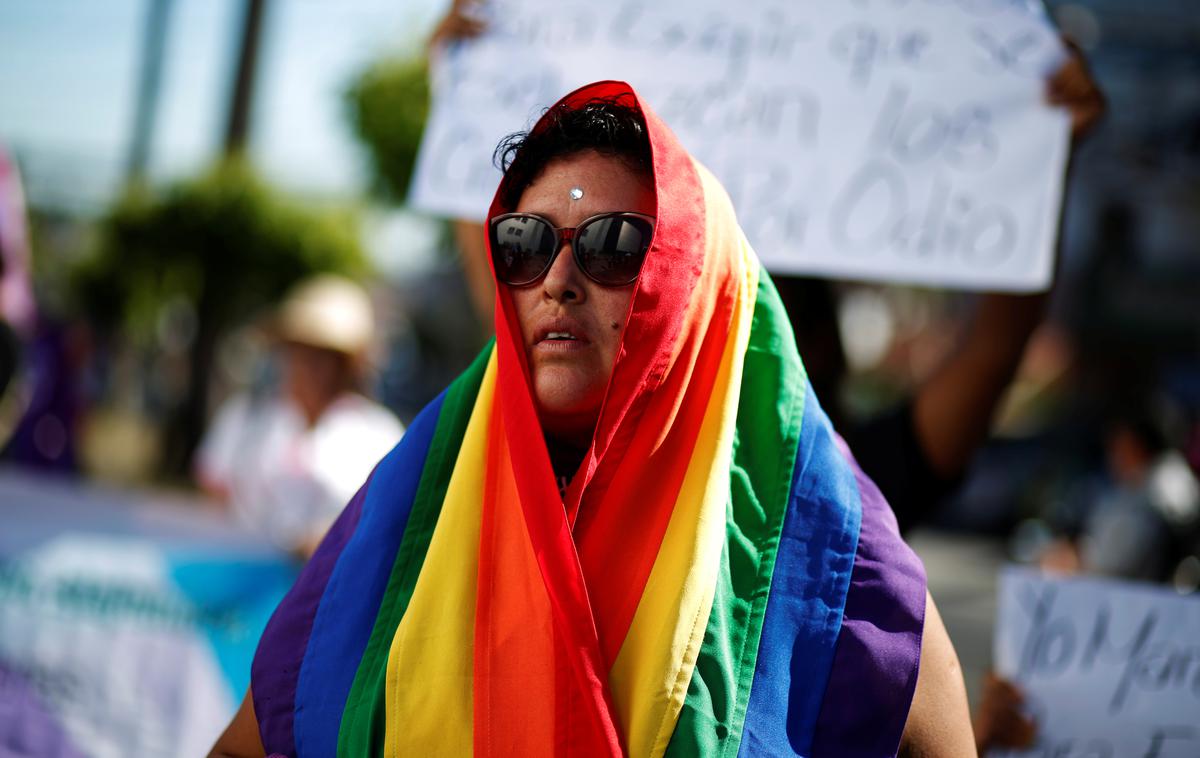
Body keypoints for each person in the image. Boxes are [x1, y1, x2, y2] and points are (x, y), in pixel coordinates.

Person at [212, 83, 973, 757]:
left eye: (614, 247)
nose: (558, 282)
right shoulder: (413, 504)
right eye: (524, 244)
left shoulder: (833, 560)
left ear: (690, 287)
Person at [195, 274, 404, 557]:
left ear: (348, 365)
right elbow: (213, 490)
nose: (308, 367)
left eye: (323, 356)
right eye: (299, 351)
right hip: (244, 584)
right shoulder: (246, 416)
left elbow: (389, 519)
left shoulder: (378, 434)